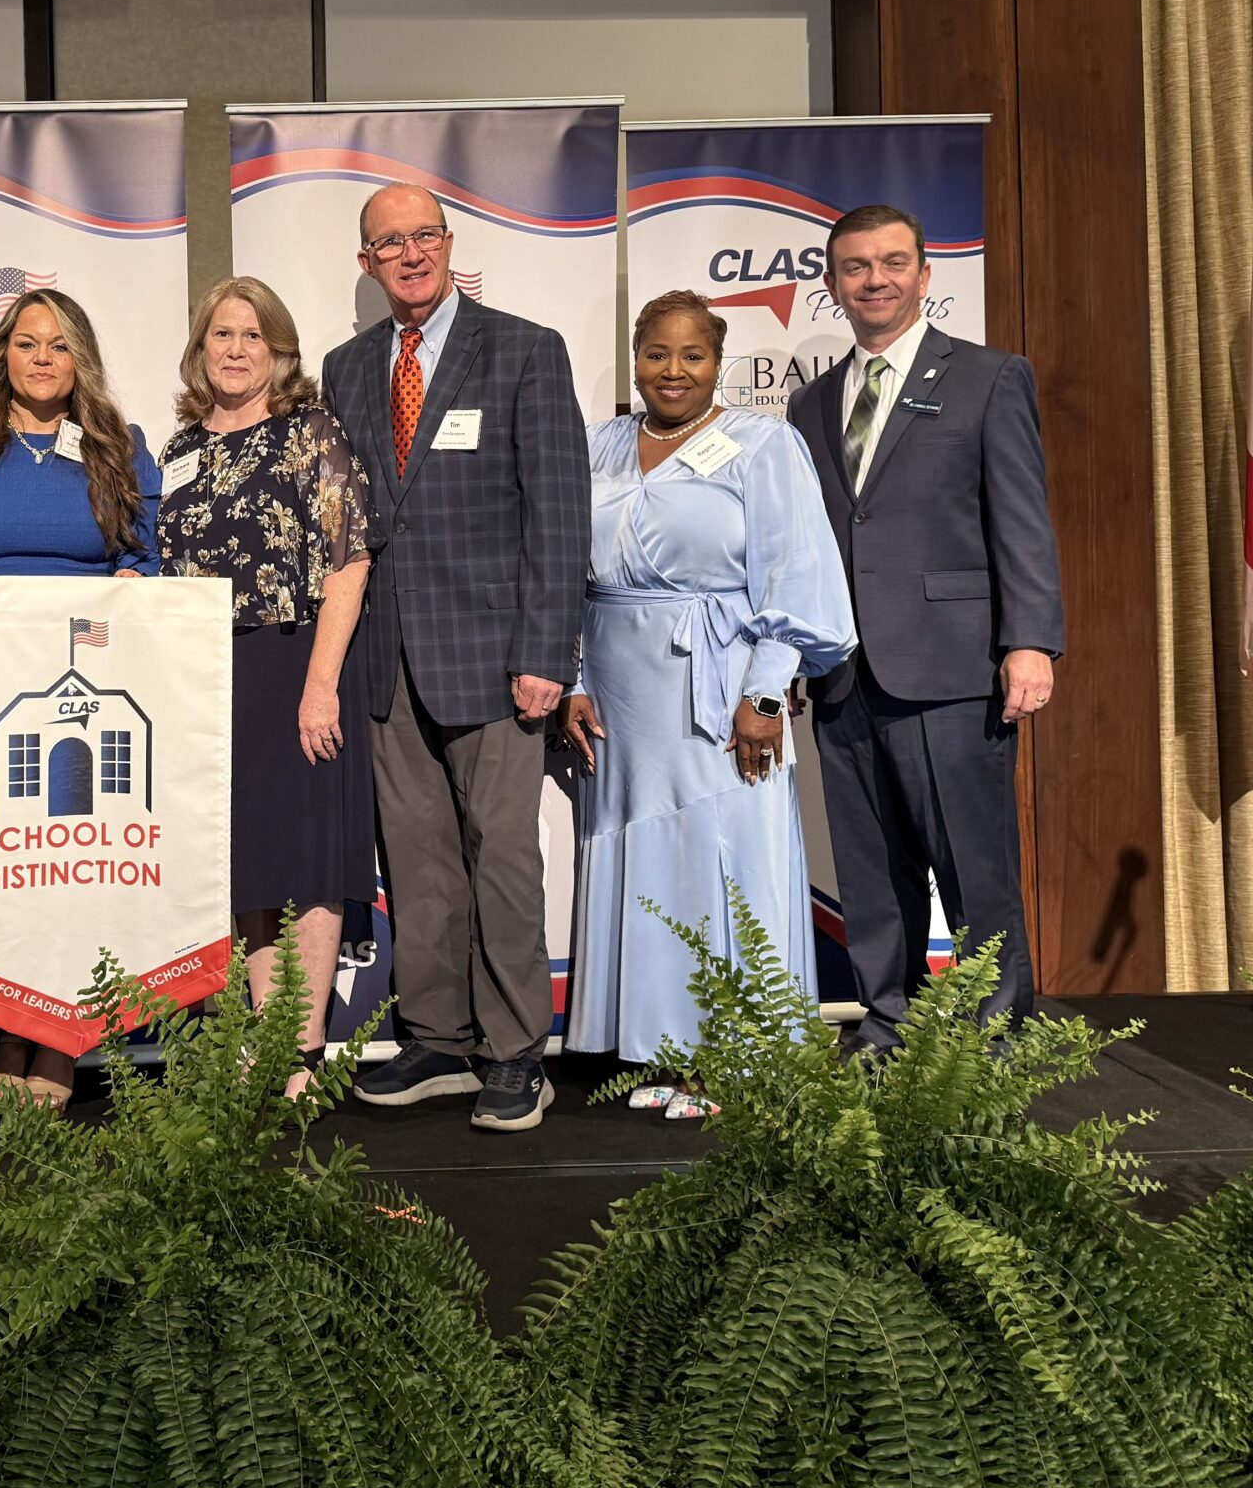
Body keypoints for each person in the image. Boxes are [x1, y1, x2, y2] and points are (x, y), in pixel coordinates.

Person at [321, 183, 589, 1133]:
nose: (409, 254)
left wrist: (548, 653)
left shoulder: (524, 350)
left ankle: (516, 1051)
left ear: (449, 242)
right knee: (419, 862)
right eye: (387, 243)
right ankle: (437, 1036)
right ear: (367, 263)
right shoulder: (347, 368)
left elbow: (559, 517)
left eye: (422, 235)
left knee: (504, 860)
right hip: (387, 661)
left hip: (497, 658)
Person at [560, 291, 855, 1102]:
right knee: (644, 861)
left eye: (693, 355)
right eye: (657, 353)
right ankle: (653, 1049)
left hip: (720, 685)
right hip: (619, 695)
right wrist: (575, 678)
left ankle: (735, 1056)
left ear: (719, 362)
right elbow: (561, 576)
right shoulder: (598, 445)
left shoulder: (764, 445)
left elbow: (794, 573)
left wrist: (764, 691)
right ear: (634, 357)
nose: (674, 370)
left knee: (721, 860)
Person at [786, 203, 1064, 1053]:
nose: (877, 280)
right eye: (857, 267)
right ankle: (889, 1021)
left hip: (953, 666)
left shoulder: (989, 376)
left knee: (973, 864)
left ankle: (996, 1032)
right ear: (833, 285)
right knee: (871, 866)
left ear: (925, 275)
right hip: (843, 670)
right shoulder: (809, 405)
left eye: (893, 263)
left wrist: (1031, 640)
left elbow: (1021, 519)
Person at [0, 287, 159, 1108]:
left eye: (59, 345)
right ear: (1, 355)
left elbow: (149, 556)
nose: (42, 358)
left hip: (86, 691)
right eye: (26, 343)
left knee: (71, 866)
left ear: (79, 358)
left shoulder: (119, 444)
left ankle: (56, 1045)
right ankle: (8, 1032)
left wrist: (130, 578)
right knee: (2, 872)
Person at [157, 277, 374, 1097]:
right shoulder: (180, 451)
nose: (237, 349)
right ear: (200, 347)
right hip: (212, 672)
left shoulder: (308, 433)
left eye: (254, 336)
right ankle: (264, 1031)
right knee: (246, 856)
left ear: (280, 352)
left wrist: (321, 686)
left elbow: (351, 559)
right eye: (222, 335)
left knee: (307, 856)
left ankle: (306, 1045)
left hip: (296, 661)